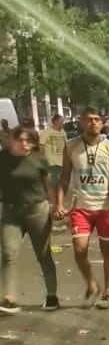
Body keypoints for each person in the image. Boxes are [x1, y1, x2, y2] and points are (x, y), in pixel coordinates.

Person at [55, 107, 109, 309]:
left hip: (105, 207)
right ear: (81, 123)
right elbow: (64, 177)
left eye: (96, 119)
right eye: (89, 119)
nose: (93, 123)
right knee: (79, 250)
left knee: (107, 251)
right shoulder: (71, 146)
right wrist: (59, 203)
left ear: (102, 123)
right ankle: (91, 284)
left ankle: (108, 292)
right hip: (81, 207)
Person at [0, 126, 60, 312]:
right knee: (8, 253)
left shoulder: (38, 159)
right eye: (21, 140)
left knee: (43, 254)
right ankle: (9, 297)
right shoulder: (2, 158)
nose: (25, 145)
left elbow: (49, 185)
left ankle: (52, 296)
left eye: (29, 141)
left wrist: (56, 206)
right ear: (12, 140)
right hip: (10, 212)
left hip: (37, 211)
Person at [39, 114, 67, 191]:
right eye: (61, 122)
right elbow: (41, 145)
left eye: (63, 122)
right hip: (51, 161)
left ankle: (57, 198)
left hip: (62, 161)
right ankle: (52, 198)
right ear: (55, 122)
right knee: (53, 183)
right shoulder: (47, 132)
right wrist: (42, 159)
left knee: (60, 183)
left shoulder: (63, 132)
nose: (62, 123)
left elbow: (66, 146)